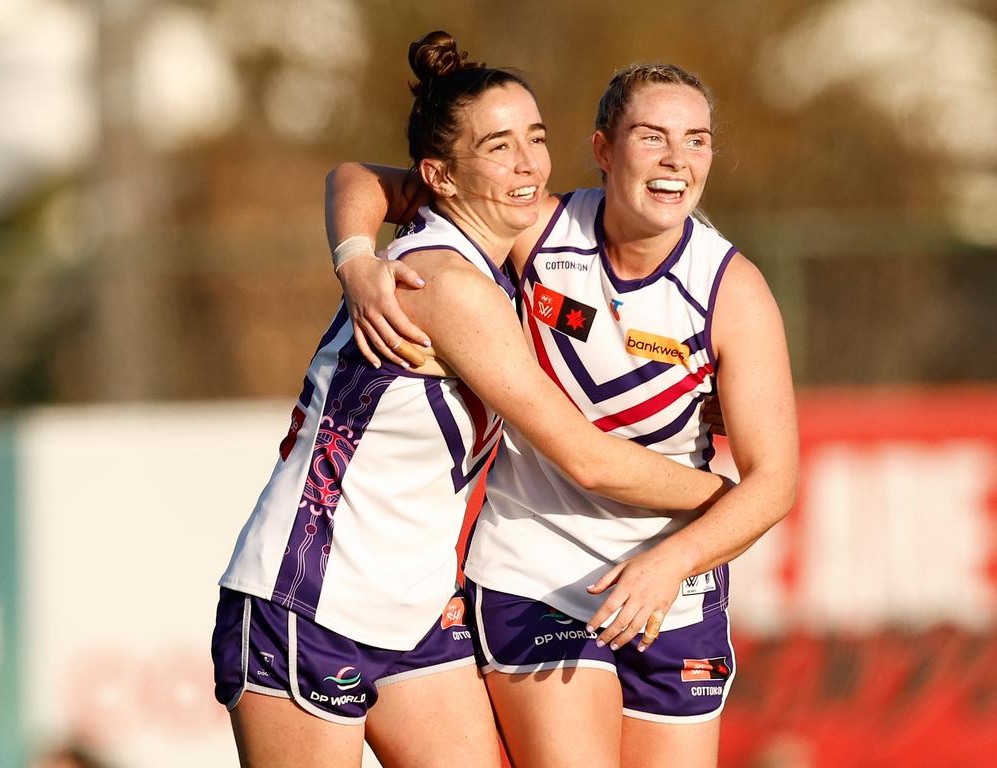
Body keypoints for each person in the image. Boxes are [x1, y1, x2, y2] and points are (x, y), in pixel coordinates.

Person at [213, 33, 736, 768]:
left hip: (418, 612)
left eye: (535, 138)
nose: (528, 165)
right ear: (440, 177)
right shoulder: (451, 287)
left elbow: (352, 176)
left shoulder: (493, 251)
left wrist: (355, 260)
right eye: (498, 147)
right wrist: (732, 500)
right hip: (310, 599)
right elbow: (586, 458)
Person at [325, 61, 799, 768]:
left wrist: (676, 557)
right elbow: (358, 178)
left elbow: (775, 481)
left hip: (673, 586)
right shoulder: (535, 228)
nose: (677, 160)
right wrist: (356, 259)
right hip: (534, 572)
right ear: (604, 149)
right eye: (652, 137)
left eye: (697, 140)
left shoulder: (733, 290)